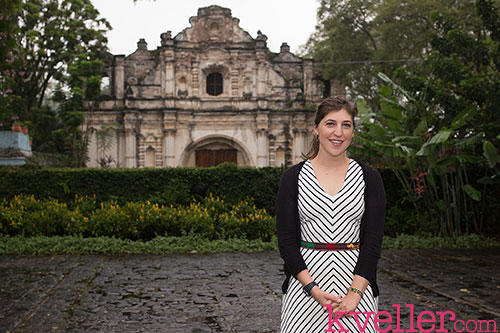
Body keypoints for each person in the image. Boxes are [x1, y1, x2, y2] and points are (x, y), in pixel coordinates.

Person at [276, 96, 386, 332]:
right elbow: (286, 242)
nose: (338, 132)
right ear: (316, 129)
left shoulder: (370, 178)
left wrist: (355, 295)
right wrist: (312, 289)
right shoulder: (293, 178)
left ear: (353, 131)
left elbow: (373, 242)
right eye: (330, 123)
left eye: (346, 125)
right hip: (304, 288)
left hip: (357, 285)